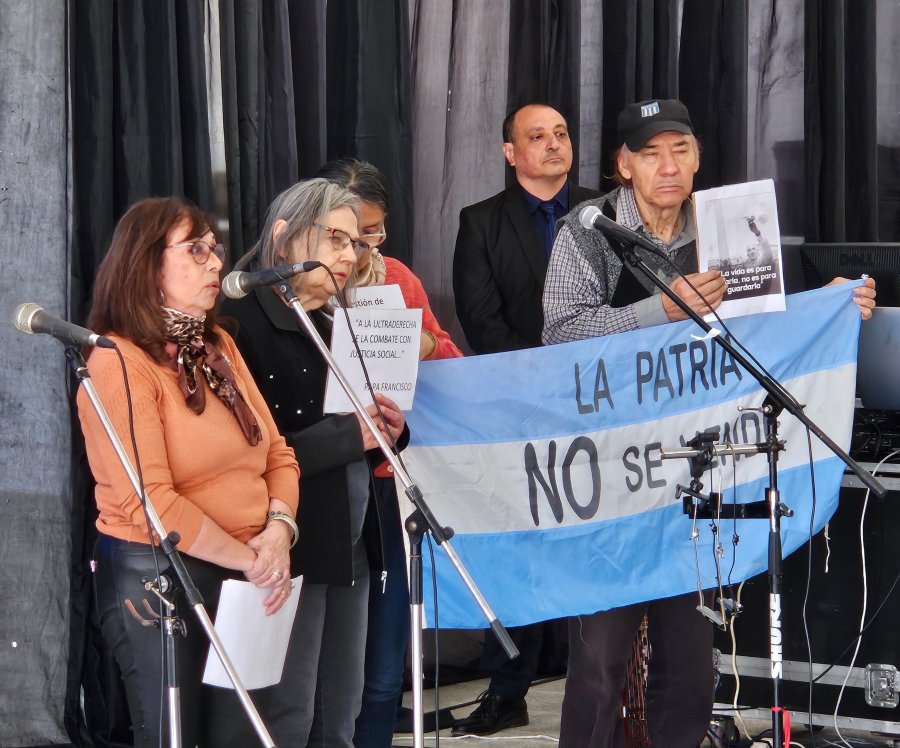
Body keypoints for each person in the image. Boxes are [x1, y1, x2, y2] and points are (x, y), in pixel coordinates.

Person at [542, 98, 876, 747]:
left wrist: (827, 303)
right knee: (598, 664)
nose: (667, 165)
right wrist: (658, 312)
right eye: (650, 152)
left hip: (695, 472)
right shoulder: (588, 231)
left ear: (697, 159)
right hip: (612, 477)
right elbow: (558, 338)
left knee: (693, 668)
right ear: (623, 164)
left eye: (680, 150)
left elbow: (760, 330)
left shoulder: (730, 227)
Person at [76, 197, 300, 747]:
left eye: (214, 249)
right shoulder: (116, 359)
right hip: (163, 580)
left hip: (249, 573)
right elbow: (151, 502)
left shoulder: (216, 345)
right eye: (195, 250)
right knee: (177, 737)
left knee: (244, 737)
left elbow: (278, 454)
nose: (215, 263)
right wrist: (254, 560)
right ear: (146, 264)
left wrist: (278, 532)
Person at [221, 178, 408, 748]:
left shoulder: (336, 322)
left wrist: (391, 431)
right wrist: (355, 434)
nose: (348, 256)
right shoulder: (239, 328)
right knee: (289, 715)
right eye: (333, 239)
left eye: (356, 243)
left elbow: (365, 428)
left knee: (341, 716)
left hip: (349, 543)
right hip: (286, 548)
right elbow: (251, 456)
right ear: (283, 236)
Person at [450, 103, 599, 736]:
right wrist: (544, 381)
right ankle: (508, 689)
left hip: (603, 403)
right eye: (536, 137)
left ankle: (605, 685)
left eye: (561, 134)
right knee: (523, 549)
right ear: (511, 153)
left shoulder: (607, 213)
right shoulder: (480, 222)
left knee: (599, 544)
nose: (553, 145)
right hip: (521, 408)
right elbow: (481, 321)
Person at [316, 157, 463, 747]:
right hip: (320, 480)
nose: (363, 248)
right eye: (348, 235)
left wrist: (411, 333)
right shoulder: (294, 285)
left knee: (383, 651)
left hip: (386, 479)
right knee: (326, 657)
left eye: (374, 232)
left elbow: (451, 363)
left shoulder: (397, 276)